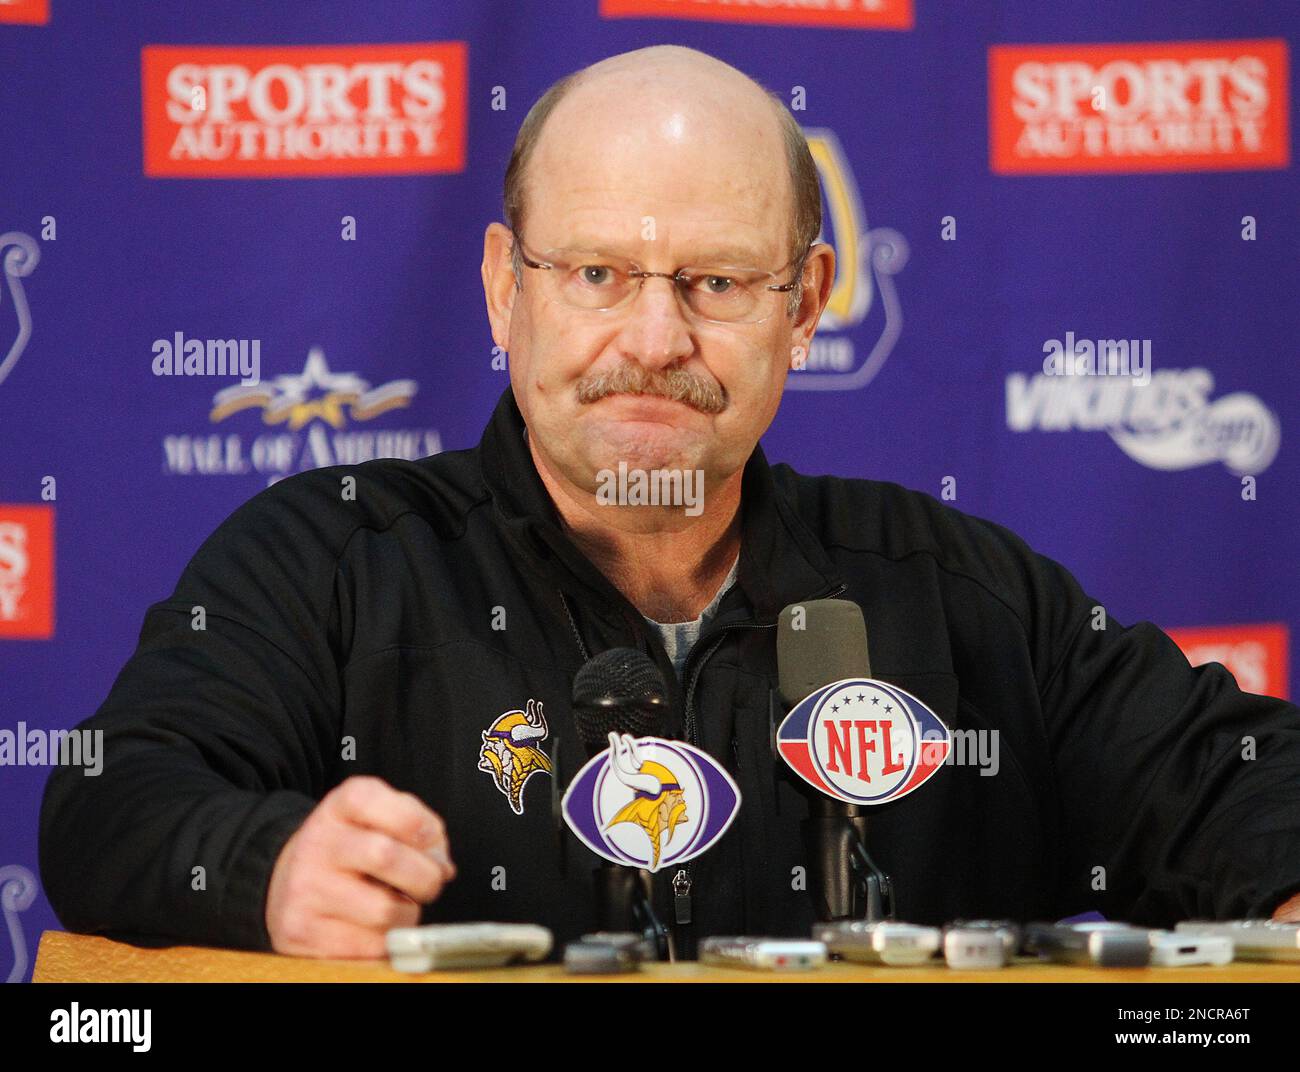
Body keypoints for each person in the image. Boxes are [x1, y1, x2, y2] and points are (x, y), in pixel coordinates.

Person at [40, 45, 1300, 961]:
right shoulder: (327, 562)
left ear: (803, 306)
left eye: (713, 281)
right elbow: (110, 801)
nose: (653, 337)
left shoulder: (959, 593)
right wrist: (270, 873)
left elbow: (1234, 787)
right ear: (502, 287)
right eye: (596, 271)